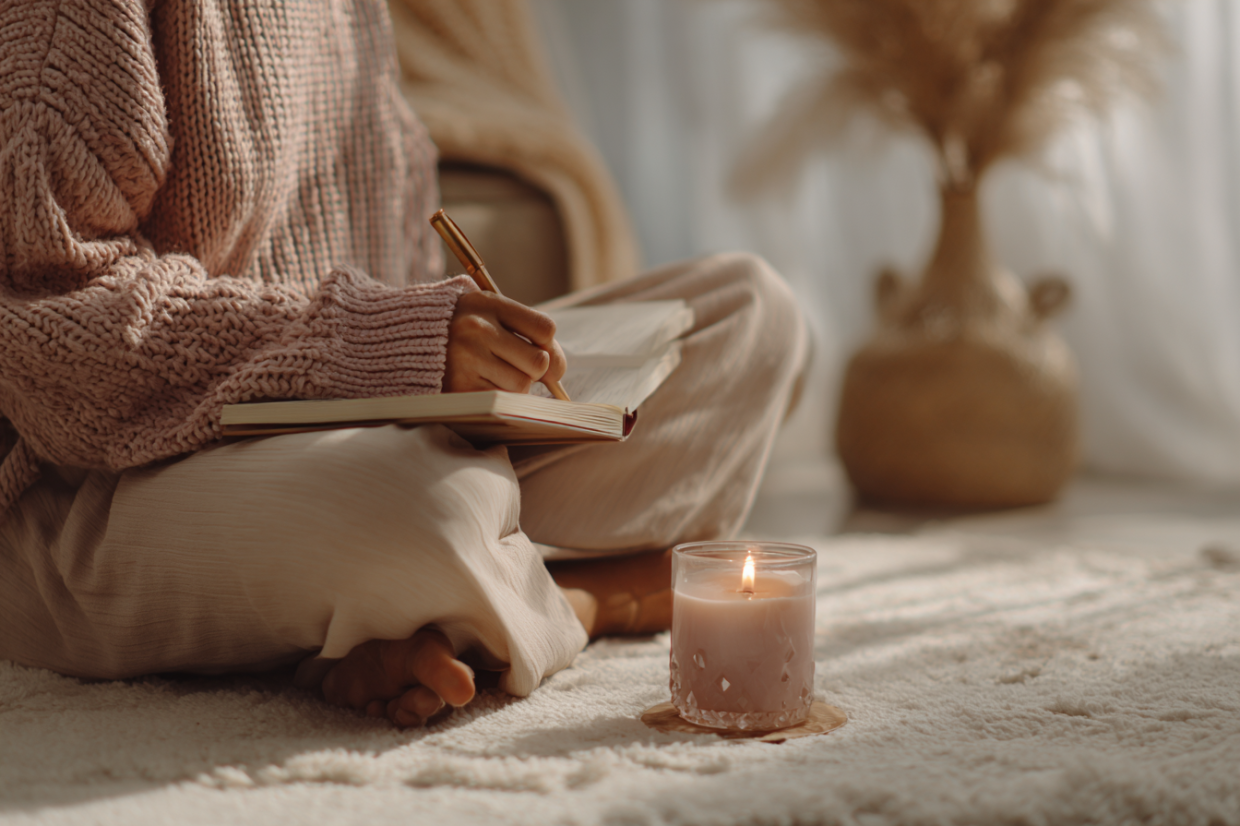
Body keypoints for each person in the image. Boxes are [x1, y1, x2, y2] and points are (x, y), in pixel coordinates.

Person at [0, 0, 808, 727]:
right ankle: (585, 598)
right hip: (93, 486)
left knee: (750, 313)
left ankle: (412, 607)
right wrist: (378, 341)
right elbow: (49, 336)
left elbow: (386, 259)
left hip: (341, 421)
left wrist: (457, 357)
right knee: (427, 506)